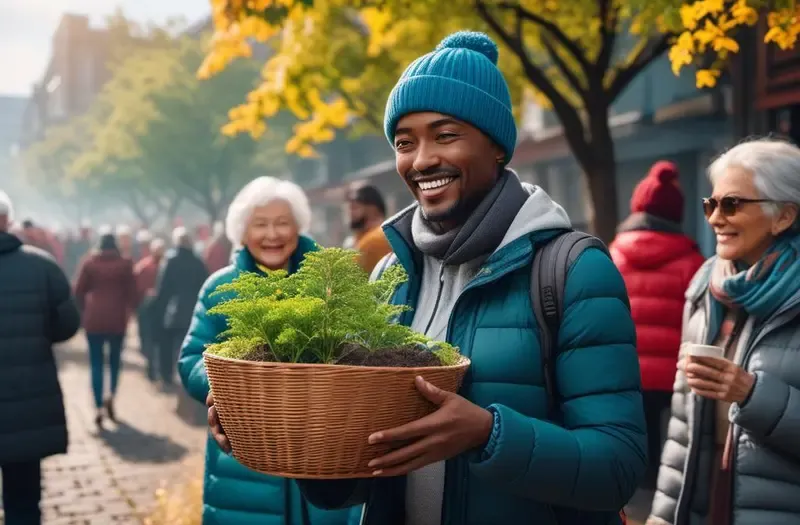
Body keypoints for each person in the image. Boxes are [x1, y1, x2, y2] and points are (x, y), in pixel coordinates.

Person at [208, 31, 646, 525]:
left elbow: (618, 467)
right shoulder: (391, 273)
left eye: (445, 135)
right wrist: (297, 438)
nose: (421, 161)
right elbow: (367, 464)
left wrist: (489, 435)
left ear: (496, 145)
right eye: (404, 142)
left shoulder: (572, 270)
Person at [179, 176, 362, 525]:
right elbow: (191, 359)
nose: (272, 235)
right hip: (245, 457)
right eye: (260, 224)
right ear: (242, 232)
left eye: (282, 223)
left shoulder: (330, 282)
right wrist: (230, 386)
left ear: (298, 227)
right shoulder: (220, 288)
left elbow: (363, 348)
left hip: (323, 449)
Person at [647, 138, 800, 525]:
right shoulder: (705, 286)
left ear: (784, 216)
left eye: (732, 204)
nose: (715, 218)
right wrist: (662, 516)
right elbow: (681, 428)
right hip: (706, 497)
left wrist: (751, 394)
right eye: (711, 204)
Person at [609, 161, 705, 487]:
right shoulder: (693, 261)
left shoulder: (613, 254)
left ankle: (643, 484)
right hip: (676, 369)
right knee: (677, 434)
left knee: (643, 429)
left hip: (629, 366)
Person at [0, 190, 81, 524]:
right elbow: (67, 325)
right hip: (27, 396)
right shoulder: (42, 266)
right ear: (7, 220)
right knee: (23, 501)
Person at [74, 233, 138, 429]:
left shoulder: (90, 263)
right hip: (117, 319)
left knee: (96, 363)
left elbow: (78, 291)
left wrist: (84, 310)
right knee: (114, 362)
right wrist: (130, 311)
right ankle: (111, 394)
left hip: (94, 319)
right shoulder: (125, 264)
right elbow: (133, 293)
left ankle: (98, 404)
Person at [151, 227, 208, 390]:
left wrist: (158, 311)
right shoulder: (198, 262)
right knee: (188, 348)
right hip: (192, 312)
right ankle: (188, 378)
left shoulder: (169, 261)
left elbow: (162, 289)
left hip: (172, 312)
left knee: (167, 347)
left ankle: (167, 378)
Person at [134, 238, 166, 378]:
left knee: (153, 339)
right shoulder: (145, 267)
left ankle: (154, 368)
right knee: (152, 339)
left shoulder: (146, 266)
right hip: (149, 308)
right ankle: (153, 368)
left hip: (154, 308)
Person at [347, 185, 391, 273]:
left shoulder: (374, 239)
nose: (350, 213)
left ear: (373, 210)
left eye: (354, 208)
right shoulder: (362, 238)